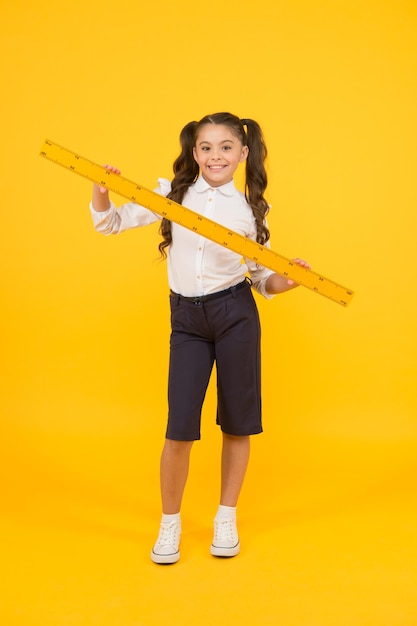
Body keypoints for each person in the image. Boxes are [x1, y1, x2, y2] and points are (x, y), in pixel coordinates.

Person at [89, 112, 310, 565]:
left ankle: (225, 517)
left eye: (226, 147)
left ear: (243, 154)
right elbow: (107, 224)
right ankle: (169, 523)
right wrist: (101, 189)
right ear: (195, 153)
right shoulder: (173, 196)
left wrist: (291, 282)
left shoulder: (250, 211)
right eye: (206, 147)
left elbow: (263, 282)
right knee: (179, 427)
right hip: (186, 320)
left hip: (236, 316)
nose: (216, 156)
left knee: (238, 421)